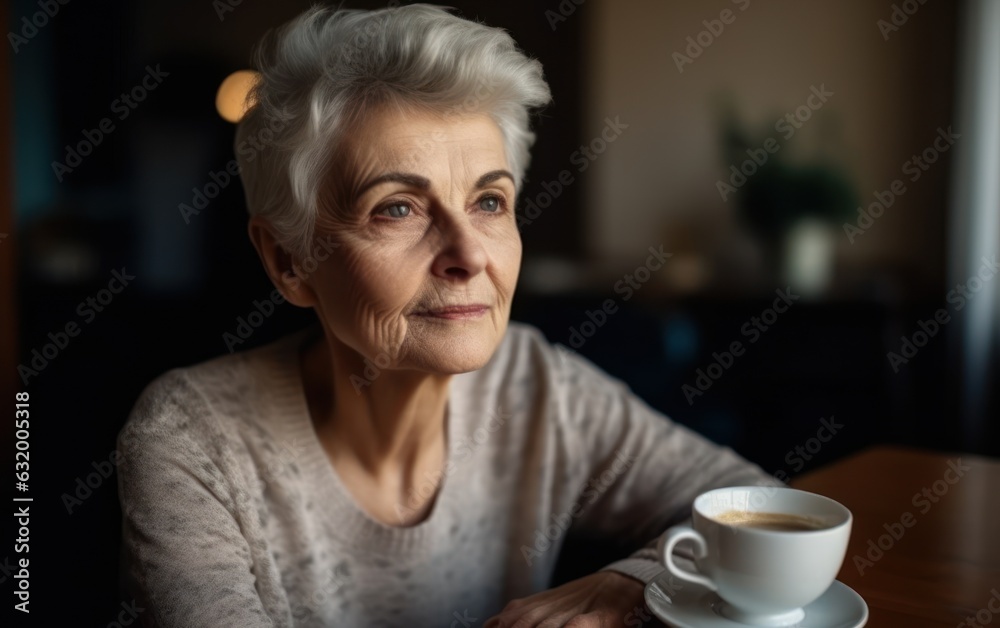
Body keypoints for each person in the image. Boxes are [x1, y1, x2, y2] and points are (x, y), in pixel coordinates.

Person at [117, 5, 772, 626]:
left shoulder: (535, 382)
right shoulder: (191, 440)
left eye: (489, 202)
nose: (468, 254)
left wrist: (633, 579)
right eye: (397, 208)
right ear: (290, 261)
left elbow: (754, 504)